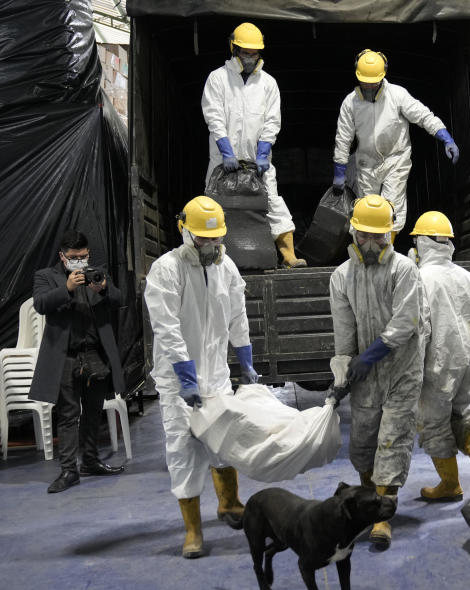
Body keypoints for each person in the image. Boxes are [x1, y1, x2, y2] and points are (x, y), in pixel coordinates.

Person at [144, 195, 260, 559]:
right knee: (184, 451)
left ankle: (229, 504)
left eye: (216, 239)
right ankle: (193, 530)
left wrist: (246, 362)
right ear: (185, 232)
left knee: (224, 443)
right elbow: (166, 328)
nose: (211, 245)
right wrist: (186, 378)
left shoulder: (228, 268)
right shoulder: (166, 270)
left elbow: (238, 318)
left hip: (217, 376)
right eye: (203, 239)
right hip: (179, 382)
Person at [329, 194, 424, 549]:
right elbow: (343, 334)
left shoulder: (404, 270)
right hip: (367, 378)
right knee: (364, 442)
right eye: (363, 236)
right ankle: (371, 503)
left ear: (391, 236)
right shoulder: (341, 277)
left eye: (378, 237)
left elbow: (405, 324)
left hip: (401, 369)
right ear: (352, 233)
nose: (370, 244)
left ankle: (383, 516)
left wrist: (368, 357)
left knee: (393, 440)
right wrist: (343, 371)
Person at [201, 22, 306, 268]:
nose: (249, 58)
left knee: (272, 202)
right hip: (223, 158)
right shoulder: (218, 78)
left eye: (253, 53)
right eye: (244, 53)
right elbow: (213, 116)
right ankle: (208, 255)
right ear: (233, 49)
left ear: (260, 53)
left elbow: (272, 121)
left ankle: (288, 256)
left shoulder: (268, 83)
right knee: (214, 205)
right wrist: (227, 151)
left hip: (258, 160)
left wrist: (263, 153)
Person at [29, 230, 126, 494]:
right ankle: (69, 470)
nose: (79, 262)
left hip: (96, 354)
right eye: (73, 257)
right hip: (66, 357)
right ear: (62, 256)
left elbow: (120, 300)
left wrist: (104, 288)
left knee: (94, 412)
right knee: (69, 415)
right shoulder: (46, 276)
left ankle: (91, 461)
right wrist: (68, 288)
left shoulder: (98, 272)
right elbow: (40, 304)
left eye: (83, 257)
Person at [331, 49, 460, 243]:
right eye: (364, 81)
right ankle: (365, 253)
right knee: (367, 210)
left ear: (382, 77)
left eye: (373, 82)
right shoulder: (350, 103)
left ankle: (386, 249)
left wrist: (444, 137)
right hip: (366, 162)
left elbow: (423, 116)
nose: (368, 86)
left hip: (395, 159)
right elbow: (343, 138)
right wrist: (339, 171)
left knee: (392, 207)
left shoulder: (397, 95)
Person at [408, 211, 470, 501]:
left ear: (424, 243)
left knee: (434, 423)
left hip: (435, 364)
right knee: (462, 413)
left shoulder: (421, 278)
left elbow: (419, 330)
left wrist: (411, 372)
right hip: (465, 362)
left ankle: (451, 484)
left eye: (416, 240)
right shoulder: (467, 277)